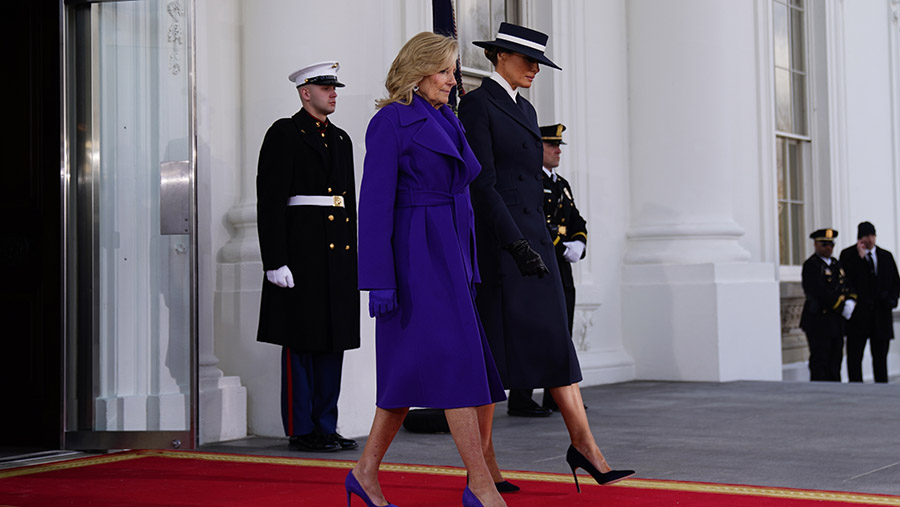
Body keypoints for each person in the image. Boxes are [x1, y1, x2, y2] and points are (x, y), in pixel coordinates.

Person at [458, 22, 634, 493]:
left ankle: (585, 445)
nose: (535, 69)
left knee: (557, 341)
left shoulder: (526, 106)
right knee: (494, 355)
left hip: (538, 242)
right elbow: (483, 182)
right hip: (504, 246)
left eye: (539, 62)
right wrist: (514, 242)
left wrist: (533, 241)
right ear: (499, 58)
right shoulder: (477, 104)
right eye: (526, 60)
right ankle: (485, 466)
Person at [350, 32, 507, 507]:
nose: (452, 80)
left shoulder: (446, 120)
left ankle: (364, 472)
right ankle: (480, 484)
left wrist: (469, 265)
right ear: (417, 73)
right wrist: (378, 278)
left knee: (405, 376)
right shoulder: (390, 122)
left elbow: (462, 193)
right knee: (458, 367)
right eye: (444, 71)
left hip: (449, 257)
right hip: (415, 260)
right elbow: (373, 206)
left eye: (453, 70)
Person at [255, 61, 359, 453]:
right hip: (302, 254)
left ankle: (326, 424)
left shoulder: (343, 139)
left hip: (336, 256)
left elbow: (347, 203)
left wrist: (355, 262)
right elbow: (270, 200)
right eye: (326, 87)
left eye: (335, 88)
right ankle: (302, 428)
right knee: (301, 342)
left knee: (333, 341)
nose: (334, 93)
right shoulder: (285, 133)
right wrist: (274, 260)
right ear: (305, 92)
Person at [508, 123, 588, 415]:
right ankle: (521, 396)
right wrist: (559, 244)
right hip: (539, 262)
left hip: (562, 266)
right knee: (532, 329)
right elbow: (534, 222)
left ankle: (557, 395)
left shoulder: (561, 184)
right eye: (552, 145)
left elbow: (576, 220)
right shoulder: (530, 180)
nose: (557, 151)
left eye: (559, 146)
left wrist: (578, 243)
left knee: (561, 328)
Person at [838, 222, 900, 383]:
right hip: (859, 317)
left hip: (881, 315)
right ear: (860, 238)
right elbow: (846, 281)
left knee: (880, 357)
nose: (870, 239)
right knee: (855, 356)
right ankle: (856, 388)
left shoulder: (886, 256)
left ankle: (881, 388)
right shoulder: (849, 255)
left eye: (872, 236)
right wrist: (861, 259)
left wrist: (892, 301)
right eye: (866, 236)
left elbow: (895, 282)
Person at [799, 228, 856, 382]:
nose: (828, 248)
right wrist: (840, 305)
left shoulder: (836, 265)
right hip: (819, 320)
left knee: (835, 359)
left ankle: (836, 390)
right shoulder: (811, 265)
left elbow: (847, 285)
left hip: (836, 321)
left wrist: (851, 300)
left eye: (831, 244)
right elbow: (818, 292)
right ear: (816, 245)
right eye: (824, 244)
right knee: (820, 359)